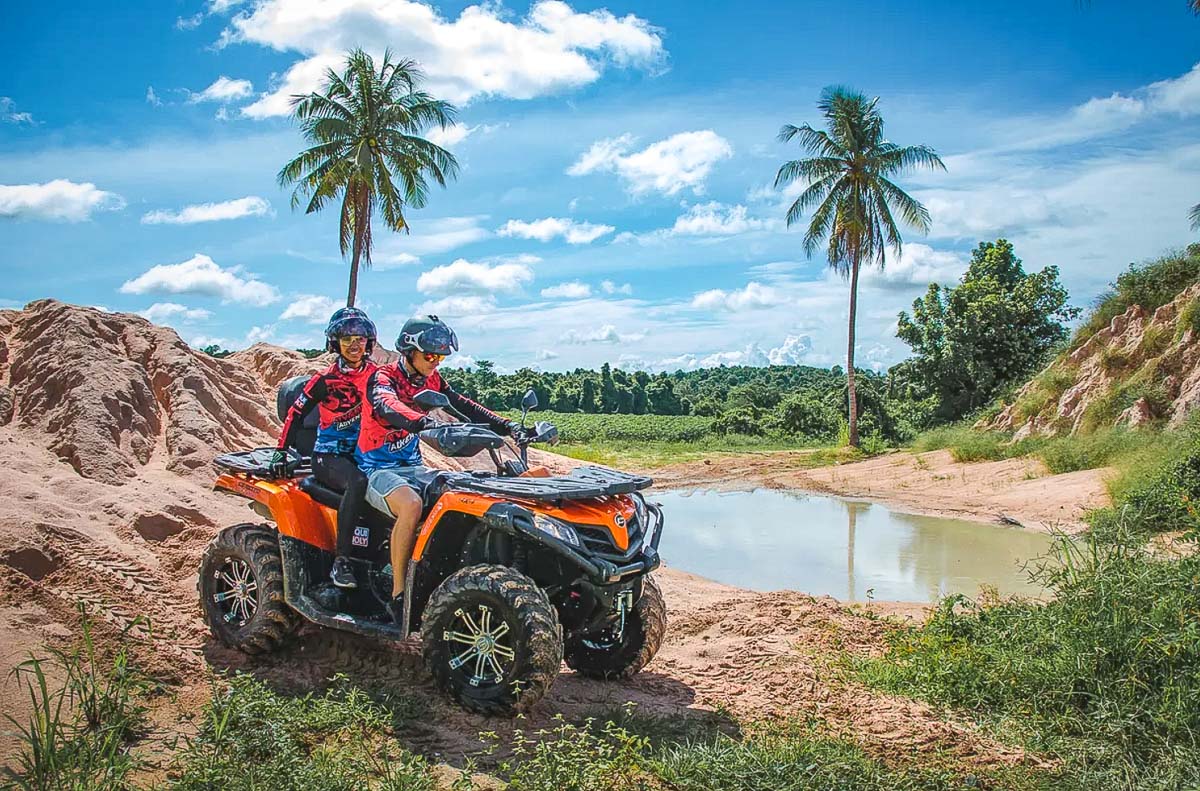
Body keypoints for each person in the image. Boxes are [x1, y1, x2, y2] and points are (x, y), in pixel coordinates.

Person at [355, 315, 522, 620]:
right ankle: (398, 594)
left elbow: (464, 405)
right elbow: (387, 405)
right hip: (377, 468)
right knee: (411, 505)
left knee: (461, 493)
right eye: (430, 355)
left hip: (413, 466)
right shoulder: (383, 377)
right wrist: (424, 422)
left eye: (441, 357)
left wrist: (508, 426)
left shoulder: (431, 380)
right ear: (409, 350)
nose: (436, 363)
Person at [272, 307, 378, 589]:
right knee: (358, 482)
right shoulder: (324, 380)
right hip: (328, 456)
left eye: (360, 338)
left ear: (369, 342)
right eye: (347, 339)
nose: (355, 345)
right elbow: (295, 413)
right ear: (335, 343)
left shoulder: (379, 378)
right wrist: (281, 451)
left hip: (367, 454)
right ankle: (341, 562)